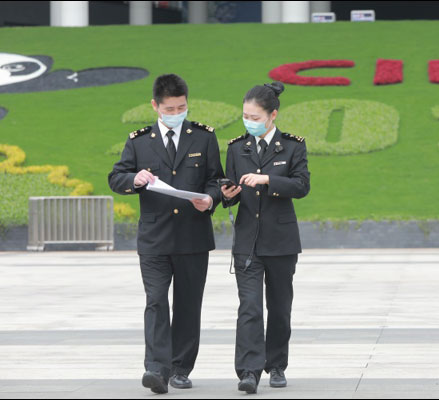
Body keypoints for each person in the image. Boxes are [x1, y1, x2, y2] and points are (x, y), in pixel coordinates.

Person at [108, 74, 224, 394]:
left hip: (192, 237)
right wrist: (136, 179)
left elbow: (217, 179)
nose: (176, 113)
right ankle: (156, 368)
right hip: (155, 239)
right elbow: (116, 177)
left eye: (181, 107)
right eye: (169, 108)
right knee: (156, 301)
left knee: (188, 304)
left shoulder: (203, 138)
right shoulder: (139, 140)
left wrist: (211, 198)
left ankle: (181, 368)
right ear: (155, 106)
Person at [221, 81, 310, 394]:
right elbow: (230, 191)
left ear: (272, 115)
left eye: (255, 117)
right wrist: (227, 195)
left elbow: (301, 186)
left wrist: (268, 179)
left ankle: (276, 365)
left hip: (281, 240)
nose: (249, 121)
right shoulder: (236, 148)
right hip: (247, 241)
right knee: (249, 307)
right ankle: (248, 371)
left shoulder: (293, 146)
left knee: (280, 307)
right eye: (245, 115)